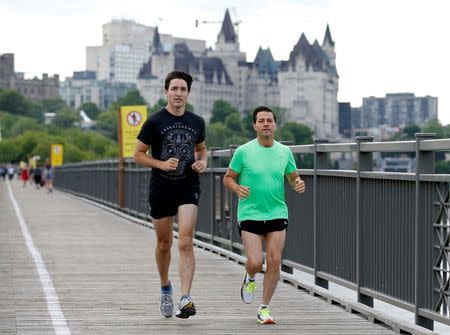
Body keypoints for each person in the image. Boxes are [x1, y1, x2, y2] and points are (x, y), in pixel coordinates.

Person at [134, 71, 207, 319]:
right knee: (164, 244)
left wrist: (203, 162)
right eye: (174, 89)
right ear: (166, 91)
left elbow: (201, 149)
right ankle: (166, 288)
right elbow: (138, 154)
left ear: (188, 93)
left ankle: (185, 298)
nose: (178, 93)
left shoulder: (197, 121)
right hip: (161, 187)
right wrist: (161, 164)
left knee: (185, 241)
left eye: (183, 89)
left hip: (188, 185)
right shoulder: (155, 122)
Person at [223, 106, 306, 324]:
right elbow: (228, 177)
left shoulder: (284, 152)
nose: (266, 124)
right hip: (250, 212)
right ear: (255, 126)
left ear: (275, 125)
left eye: (269, 120)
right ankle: (250, 277)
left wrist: (297, 183)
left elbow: (293, 176)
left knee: (275, 259)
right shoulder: (243, 151)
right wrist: (236, 188)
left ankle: (264, 308)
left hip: (277, 211)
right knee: (255, 261)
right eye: (261, 121)